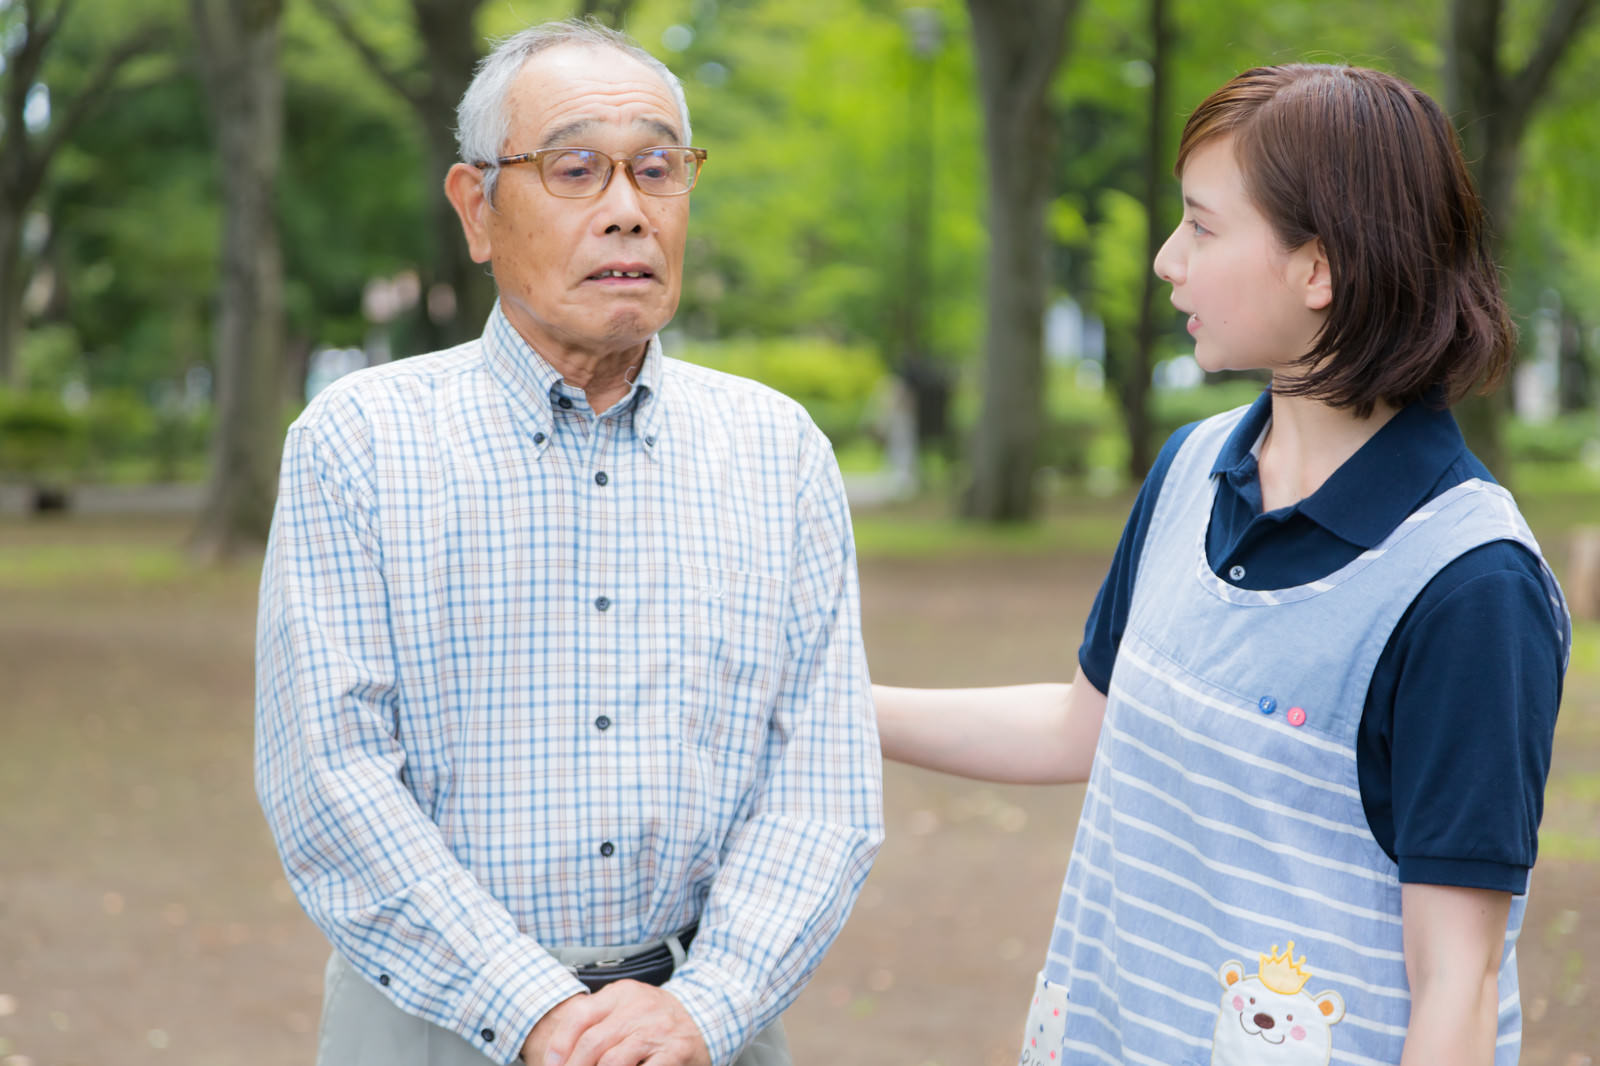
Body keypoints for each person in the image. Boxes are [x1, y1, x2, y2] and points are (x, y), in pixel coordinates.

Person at [875, 64, 1569, 1066]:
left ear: (1317, 268)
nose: (1167, 260)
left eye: (1200, 228)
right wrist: (826, 703)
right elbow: (1087, 723)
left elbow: (1455, 986)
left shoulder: (1470, 586)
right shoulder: (1194, 468)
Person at [255, 19, 883, 1066]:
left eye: (658, 169)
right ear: (476, 209)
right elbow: (335, 778)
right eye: (576, 168)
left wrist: (704, 1005)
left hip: (706, 1028)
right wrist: (535, 1008)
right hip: (433, 1023)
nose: (629, 212)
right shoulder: (357, 444)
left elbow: (820, 781)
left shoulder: (779, 452)